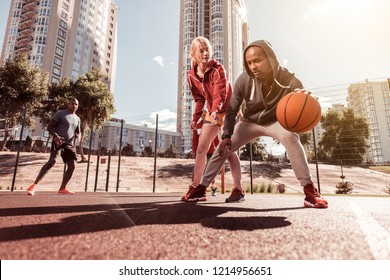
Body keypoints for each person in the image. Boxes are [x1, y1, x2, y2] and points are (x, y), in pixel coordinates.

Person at [182, 40, 328, 208]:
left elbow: (298, 90)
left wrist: (304, 97)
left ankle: (309, 191)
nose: (253, 66)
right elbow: (231, 109)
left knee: (290, 137)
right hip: (249, 122)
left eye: (257, 61)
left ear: (270, 58)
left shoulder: (286, 77)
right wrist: (227, 135)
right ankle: (201, 188)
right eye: (249, 63)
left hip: (275, 121)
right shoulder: (243, 79)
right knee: (223, 147)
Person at [181, 36, 243, 202]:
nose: (206, 52)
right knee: (201, 148)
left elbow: (220, 93)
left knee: (228, 150)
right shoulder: (192, 76)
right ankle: (196, 187)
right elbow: (200, 99)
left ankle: (238, 189)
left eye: (207, 49)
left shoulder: (218, 69)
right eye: (201, 50)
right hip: (212, 112)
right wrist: (196, 118)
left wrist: (215, 110)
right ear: (194, 53)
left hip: (227, 111)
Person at [26, 97, 81, 196]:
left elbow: (78, 132)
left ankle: (62, 188)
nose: (74, 106)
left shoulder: (77, 118)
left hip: (69, 144)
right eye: (72, 103)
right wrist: (55, 136)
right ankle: (33, 186)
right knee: (52, 161)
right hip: (58, 141)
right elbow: (50, 127)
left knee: (72, 166)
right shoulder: (60, 113)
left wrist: (78, 136)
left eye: (76, 104)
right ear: (68, 104)